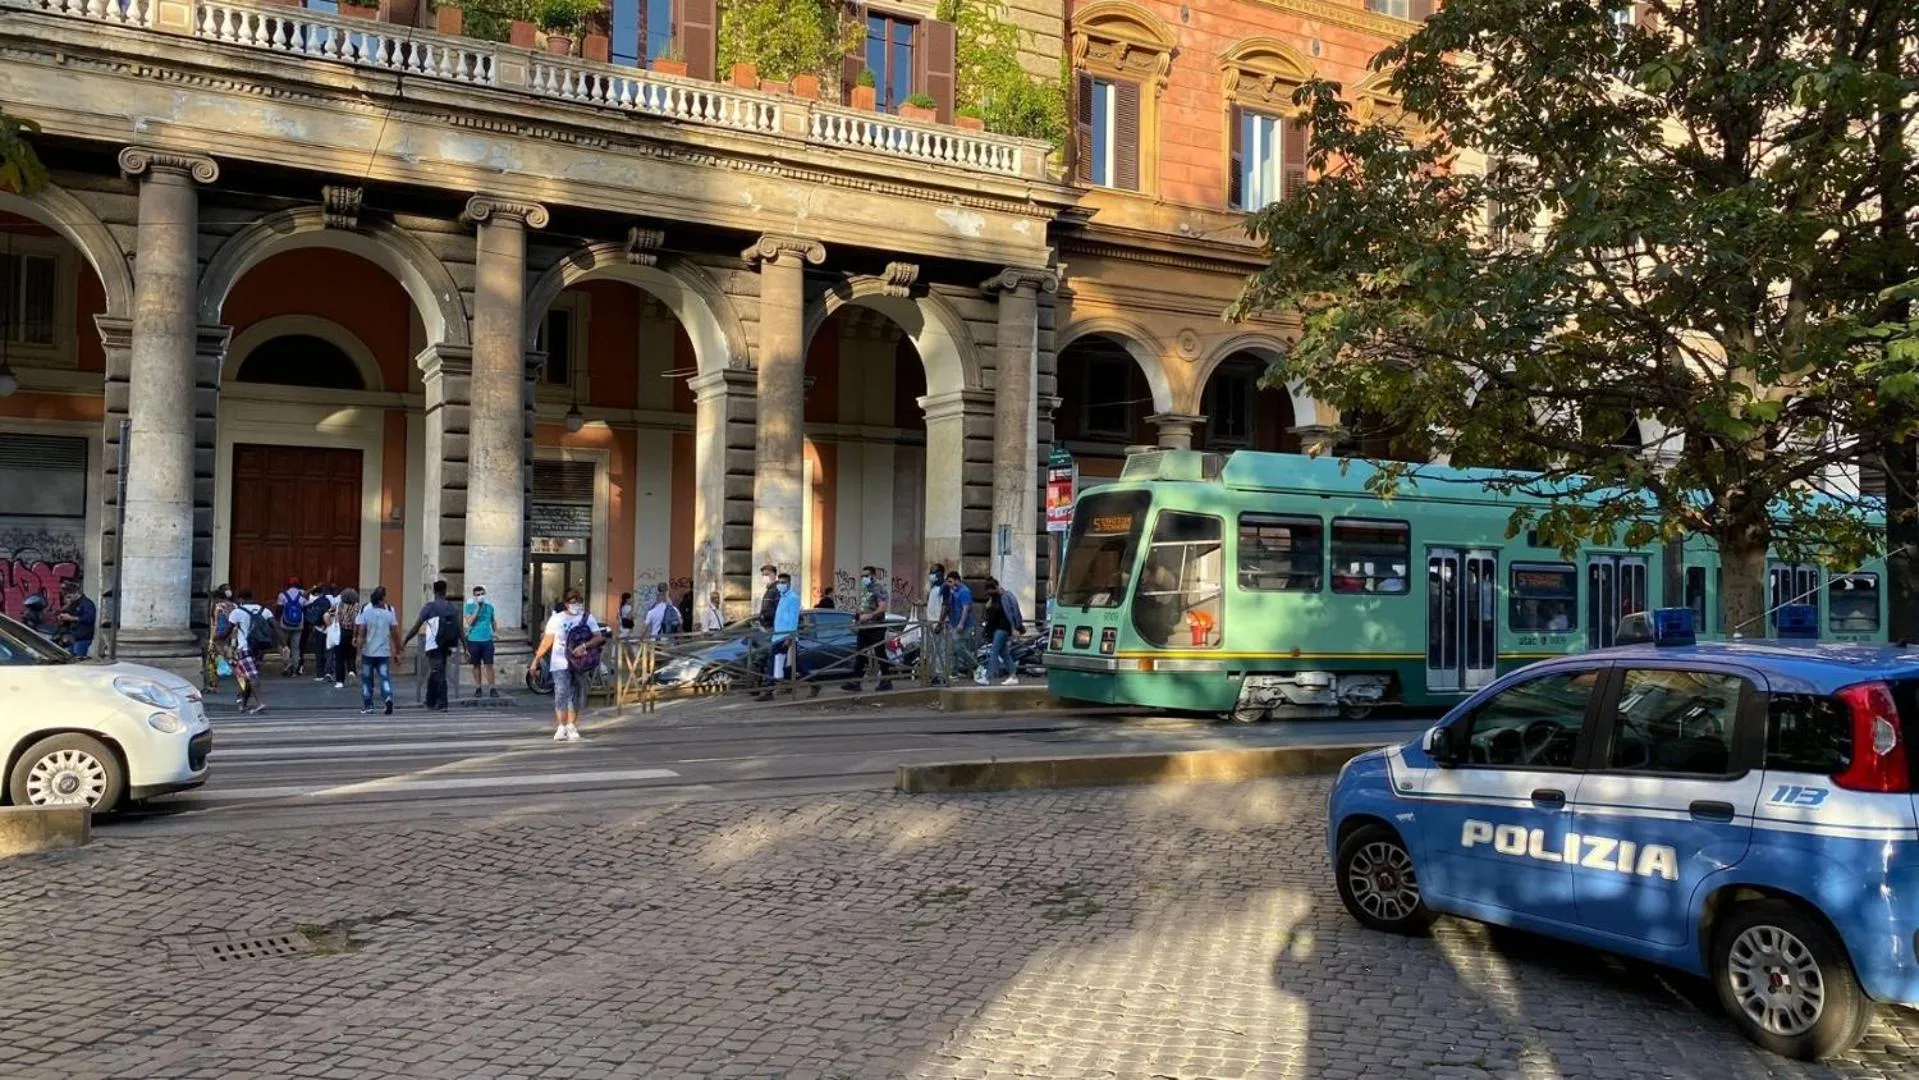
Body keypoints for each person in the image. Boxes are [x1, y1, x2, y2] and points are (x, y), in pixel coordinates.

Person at [530, 588, 605, 742]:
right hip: (560, 662)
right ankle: (561, 726)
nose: (575, 604)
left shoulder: (587, 618)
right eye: (572, 601)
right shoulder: (557, 619)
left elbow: (598, 637)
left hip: (579, 662)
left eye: (578, 601)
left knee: (574, 694)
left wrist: (584, 646)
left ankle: (571, 725)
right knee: (561, 693)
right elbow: (547, 640)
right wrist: (536, 660)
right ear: (565, 603)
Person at [402, 579, 462, 712]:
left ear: (434, 591)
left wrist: (405, 640)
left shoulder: (430, 607)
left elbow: (416, 627)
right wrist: (465, 647)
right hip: (447, 644)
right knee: (435, 671)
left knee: (438, 672)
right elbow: (459, 629)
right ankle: (430, 700)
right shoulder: (452, 607)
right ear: (445, 591)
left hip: (433, 644)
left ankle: (443, 702)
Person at [840, 565, 893, 693]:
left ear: (873, 576)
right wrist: (857, 616)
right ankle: (856, 682)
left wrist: (870, 615)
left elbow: (882, 607)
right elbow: (864, 606)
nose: (863, 578)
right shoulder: (865, 589)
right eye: (862, 576)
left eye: (866, 576)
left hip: (876, 627)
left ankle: (887, 681)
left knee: (880, 654)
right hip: (864, 627)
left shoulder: (878, 588)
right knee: (860, 654)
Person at [354, 585, 401, 715]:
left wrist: (358, 653)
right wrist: (397, 651)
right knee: (384, 677)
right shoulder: (389, 614)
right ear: (381, 600)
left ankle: (368, 705)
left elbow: (361, 634)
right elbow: (395, 635)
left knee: (366, 679)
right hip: (384, 652)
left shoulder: (366, 614)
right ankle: (388, 698)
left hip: (368, 652)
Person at [228, 587, 275, 713]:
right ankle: (243, 703)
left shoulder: (237, 612)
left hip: (245, 649)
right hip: (259, 648)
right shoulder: (264, 610)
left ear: (240, 599)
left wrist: (216, 638)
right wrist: (283, 646)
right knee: (247, 676)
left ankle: (260, 702)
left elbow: (228, 630)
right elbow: (276, 627)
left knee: (252, 676)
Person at [756, 571, 801, 701]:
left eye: (783, 582)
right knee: (783, 663)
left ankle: (769, 690)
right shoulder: (781, 597)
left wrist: (790, 637)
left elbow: (793, 619)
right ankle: (770, 690)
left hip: (787, 637)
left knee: (788, 664)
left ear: (789, 583)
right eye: (779, 582)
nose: (780, 585)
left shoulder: (793, 598)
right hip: (778, 636)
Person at [981, 577, 1026, 686]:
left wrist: (1014, 628)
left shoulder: (1005, 597)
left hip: (1003, 628)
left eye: (990, 591)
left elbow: (1010, 613)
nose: (989, 594)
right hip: (999, 628)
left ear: (995, 587)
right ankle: (1013, 675)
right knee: (1003, 653)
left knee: (994, 651)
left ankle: (988, 676)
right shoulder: (996, 598)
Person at [463, 583, 498, 699]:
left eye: (482, 594)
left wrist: (494, 632)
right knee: (476, 664)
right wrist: (477, 607)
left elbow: (493, 620)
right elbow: (469, 622)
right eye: (478, 595)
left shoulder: (489, 607)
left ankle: (492, 688)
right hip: (474, 639)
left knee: (489, 664)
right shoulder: (469, 606)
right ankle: (478, 687)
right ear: (474, 596)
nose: (480, 596)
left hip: (487, 639)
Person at [203, 584, 234, 692]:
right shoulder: (231, 605)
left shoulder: (216, 605)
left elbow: (213, 622)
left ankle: (213, 685)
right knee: (221, 657)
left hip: (217, 634)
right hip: (227, 634)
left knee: (213, 659)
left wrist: (211, 637)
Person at [923, 563, 950, 686]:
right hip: (930, 622)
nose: (931, 575)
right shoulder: (933, 588)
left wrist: (940, 622)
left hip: (939, 624)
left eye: (933, 572)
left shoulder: (945, 587)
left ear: (940, 573)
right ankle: (934, 675)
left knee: (941, 651)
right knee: (932, 651)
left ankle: (942, 676)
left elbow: (945, 605)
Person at [327, 587, 360, 689]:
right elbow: (357, 622)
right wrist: (355, 635)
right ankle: (351, 671)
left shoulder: (338, 605)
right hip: (351, 632)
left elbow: (327, 615)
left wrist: (330, 625)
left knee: (339, 658)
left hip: (339, 633)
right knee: (351, 655)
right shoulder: (357, 606)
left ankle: (339, 681)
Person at [944, 569, 975, 679]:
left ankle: (977, 666)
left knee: (959, 648)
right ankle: (953, 673)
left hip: (963, 625)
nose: (949, 584)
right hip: (954, 623)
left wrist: (961, 624)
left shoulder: (964, 592)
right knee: (953, 650)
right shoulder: (954, 591)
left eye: (950, 581)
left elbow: (965, 609)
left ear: (957, 580)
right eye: (948, 582)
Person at [55, 580, 97, 659]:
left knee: (78, 660)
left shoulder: (87, 604)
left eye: (70, 597)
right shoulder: (72, 604)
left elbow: (89, 619)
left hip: (82, 638)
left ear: (76, 594)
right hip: (71, 637)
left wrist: (72, 618)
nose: (68, 599)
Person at [277, 577, 307, 677]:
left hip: (285, 624)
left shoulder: (282, 595)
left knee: (282, 645)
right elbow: (306, 607)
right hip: (299, 624)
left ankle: (287, 664)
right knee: (296, 647)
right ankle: (295, 669)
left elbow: (279, 609)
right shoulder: (302, 594)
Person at [306, 585, 335, 681]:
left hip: (318, 628)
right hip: (329, 628)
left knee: (318, 652)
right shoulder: (333, 601)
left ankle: (319, 674)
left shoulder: (315, 600)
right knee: (329, 652)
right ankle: (328, 671)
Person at [756, 564, 780, 629]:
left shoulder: (777, 589)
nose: (764, 577)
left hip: (772, 627)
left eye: (767, 574)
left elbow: (779, 610)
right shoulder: (770, 590)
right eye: (763, 575)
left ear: (774, 575)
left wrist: (764, 616)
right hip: (767, 627)